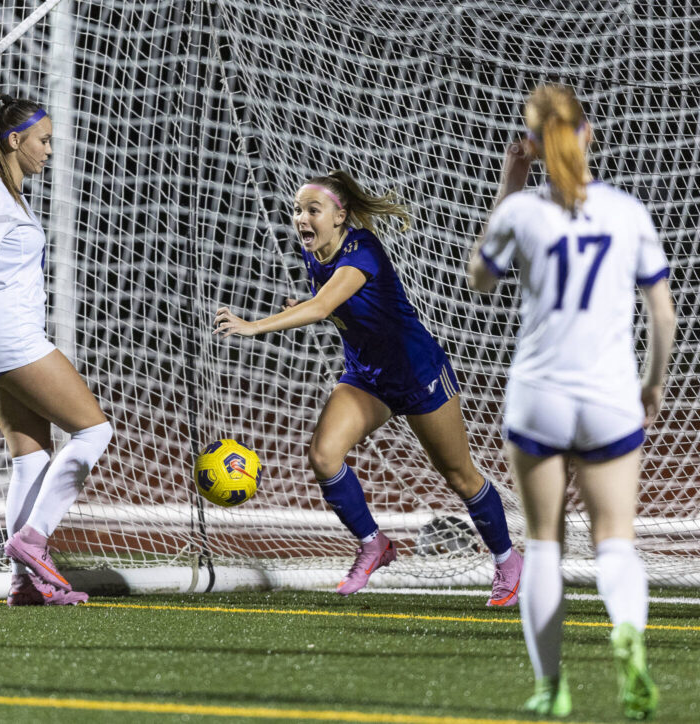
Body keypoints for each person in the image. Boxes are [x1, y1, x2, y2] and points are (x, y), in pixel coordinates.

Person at [213, 169, 522, 605]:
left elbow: (324, 307)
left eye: (312, 210)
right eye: (298, 210)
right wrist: (302, 306)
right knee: (323, 455)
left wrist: (254, 327)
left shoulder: (364, 249)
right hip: (367, 378)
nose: (301, 218)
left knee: (460, 476)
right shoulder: (315, 253)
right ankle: (374, 543)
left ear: (340, 216)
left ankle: (508, 560)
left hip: (418, 375)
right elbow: (337, 306)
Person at [468, 84, 675, 719]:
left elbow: (479, 279)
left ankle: (550, 686)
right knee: (615, 540)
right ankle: (628, 636)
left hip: (540, 396)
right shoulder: (626, 210)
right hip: (611, 394)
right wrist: (653, 385)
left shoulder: (522, 212)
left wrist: (510, 181)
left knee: (545, 544)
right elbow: (663, 316)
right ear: (587, 135)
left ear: (531, 144)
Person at [0, 93, 113, 606]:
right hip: (10, 336)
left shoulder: (7, 194)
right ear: (14, 141)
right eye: (43, 141)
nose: (48, 151)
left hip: (2, 337)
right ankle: (33, 539)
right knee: (95, 431)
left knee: (30, 457)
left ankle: (23, 582)